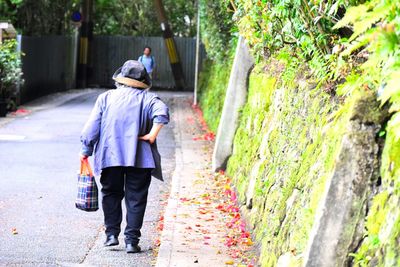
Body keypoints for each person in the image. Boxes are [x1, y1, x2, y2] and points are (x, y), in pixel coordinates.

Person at [79, 60, 169, 254]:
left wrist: (86, 150)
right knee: (136, 198)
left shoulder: (106, 98)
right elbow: (162, 113)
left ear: (121, 79)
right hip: (140, 158)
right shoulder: (149, 99)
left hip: (110, 156)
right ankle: (131, 241)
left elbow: (91, 128)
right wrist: (152, 135)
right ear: (143, 81)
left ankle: (111, 235)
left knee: (111, 193)